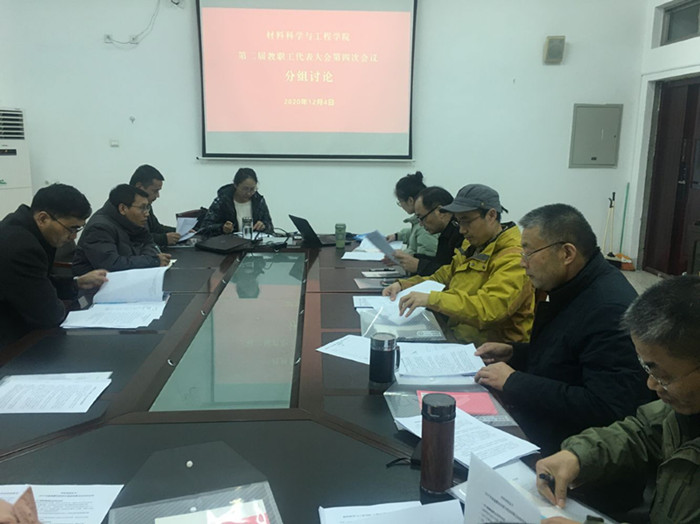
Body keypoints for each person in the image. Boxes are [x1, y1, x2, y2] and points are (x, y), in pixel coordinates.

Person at [475, 204, 651, 455]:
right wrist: (516, 354)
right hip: (544, 423)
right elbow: (569, 357)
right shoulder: (572, 286)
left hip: (571, 451)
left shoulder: (609, 310)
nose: (523, 264)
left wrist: (515, 382)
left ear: (567, 253)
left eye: (528, 253)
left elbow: (606, 407)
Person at [536, 276, 700, 524]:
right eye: (647, 368)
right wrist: (579, 455)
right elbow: (644, 432)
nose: (652, 384)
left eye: (664, 375)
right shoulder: (685, 408)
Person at [383, 184, 534, 345]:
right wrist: (404, 285)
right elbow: (443, 276)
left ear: (491, 215)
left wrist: (431, 299)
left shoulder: (514, 258)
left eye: (466, 221)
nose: (462, 230)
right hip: (459, 336)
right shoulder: (473, 246)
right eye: (458, 222)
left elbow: (489, 309)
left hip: (491, 350)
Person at [0, 184, 108, 348]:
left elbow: (37, 281)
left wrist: (76, 283)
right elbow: (48, 314)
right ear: (43, 218)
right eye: (71, 229)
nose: (73, 237)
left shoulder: (24, 227)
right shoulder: (21, 246)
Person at [72, 184, 171, 274]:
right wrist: (152, 261)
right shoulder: (99, 228)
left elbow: (149, 243)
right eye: (142, 208)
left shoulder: (134, 221)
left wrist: (147, 259)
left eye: (147, 207)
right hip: (97, 285)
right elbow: (112, 265)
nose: (147, 213)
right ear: (123, 208)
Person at [391, 186, 463, 276]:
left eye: (422, 218)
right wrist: (413, 258)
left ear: (440, 211)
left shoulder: (460, 234)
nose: (421, 224)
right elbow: (441, 264)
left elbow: (453, 274)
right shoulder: (446, 232)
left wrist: (419, 265)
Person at [199, 168, 273, 237]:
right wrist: (222, 228)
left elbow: (270, 227)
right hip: (228, 243)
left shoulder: (258, 201)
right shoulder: (223, 201)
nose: (249, 193)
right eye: (245, 189)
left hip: (253, 243)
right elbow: (205, 227)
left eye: (252, 189)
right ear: (236, 185)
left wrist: (264, 226)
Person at [385, 171, 438, 257]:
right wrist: (398, 236)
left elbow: (426, 258)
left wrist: (401, 256)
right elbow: (415, 233)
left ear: (410, 201)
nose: (401, 206)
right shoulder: (422, 220)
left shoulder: (425, 224)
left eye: (400, 202)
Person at [129, 164, 180, 247]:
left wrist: (179, 232)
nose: (158, 195)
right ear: (139, 187)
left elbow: (156, 228)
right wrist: (163, 239)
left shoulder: (146, 204)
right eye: (155, 191)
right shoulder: (125, 208)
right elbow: (133, 237)